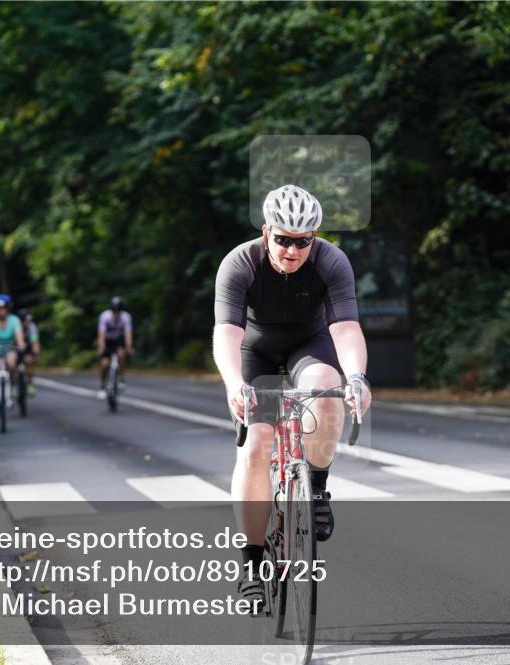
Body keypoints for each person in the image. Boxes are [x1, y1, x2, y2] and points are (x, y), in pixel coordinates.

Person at [212, 184, 373, 608]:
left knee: (327, 389)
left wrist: (357, 376)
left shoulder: (332, 261)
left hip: (309, 342)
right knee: (257, 446)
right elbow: (226, 333)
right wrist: (234, 384)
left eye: (303, 241)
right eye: (283, 239)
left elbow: (345, 328)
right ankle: (250, 564)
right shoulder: (239, 264)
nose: (292, 249)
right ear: (267, 232)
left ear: (315, 238)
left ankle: (316, 489)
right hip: (255, 351)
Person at [97, 296, 134, 398]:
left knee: (121, 355)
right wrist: (101, 346)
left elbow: (128, 333)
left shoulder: (126, 317)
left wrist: (129, 346)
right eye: (114, 311)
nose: (116, 313)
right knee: (104, 364)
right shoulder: (105, 316)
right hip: (107, 342)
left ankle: (121, 379)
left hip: (119, 341)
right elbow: (101, 334)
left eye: (118, 311)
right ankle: (102, 385)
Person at [18, 309, 41, 397]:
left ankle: (29, 383)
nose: (27, 322)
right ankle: (12, 386)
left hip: (27, 347)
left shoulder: (32, 327)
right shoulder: (15, 326)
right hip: (15, 347)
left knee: (30, 361)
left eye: (28, 320)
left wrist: (35, 354)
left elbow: (35, 342)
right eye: (25, 320)